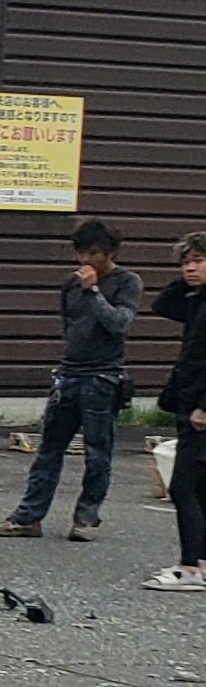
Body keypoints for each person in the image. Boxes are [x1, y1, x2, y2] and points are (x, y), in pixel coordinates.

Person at [0, 217, 140, 541]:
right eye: (81, 253)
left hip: (103, 376)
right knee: (49, 449)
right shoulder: (69, 284)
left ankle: (87, 516)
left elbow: (119, 324)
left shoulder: (127, 282)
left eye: (94, 253)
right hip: (69, 372)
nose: (85, 261)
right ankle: (29, 517)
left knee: (98, 451)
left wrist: (94, 292)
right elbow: (67, 322)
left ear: (110, 252)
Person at [148, 230, 206, 592]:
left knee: (183, 485)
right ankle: (200, 563)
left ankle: (189, 566)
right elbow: (162, 304)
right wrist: (187, 279)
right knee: (200, 487)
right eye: (185, 262)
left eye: (198, 260)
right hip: (188, 400)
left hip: (199, 407)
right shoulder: (196, 300)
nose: (190, 268)